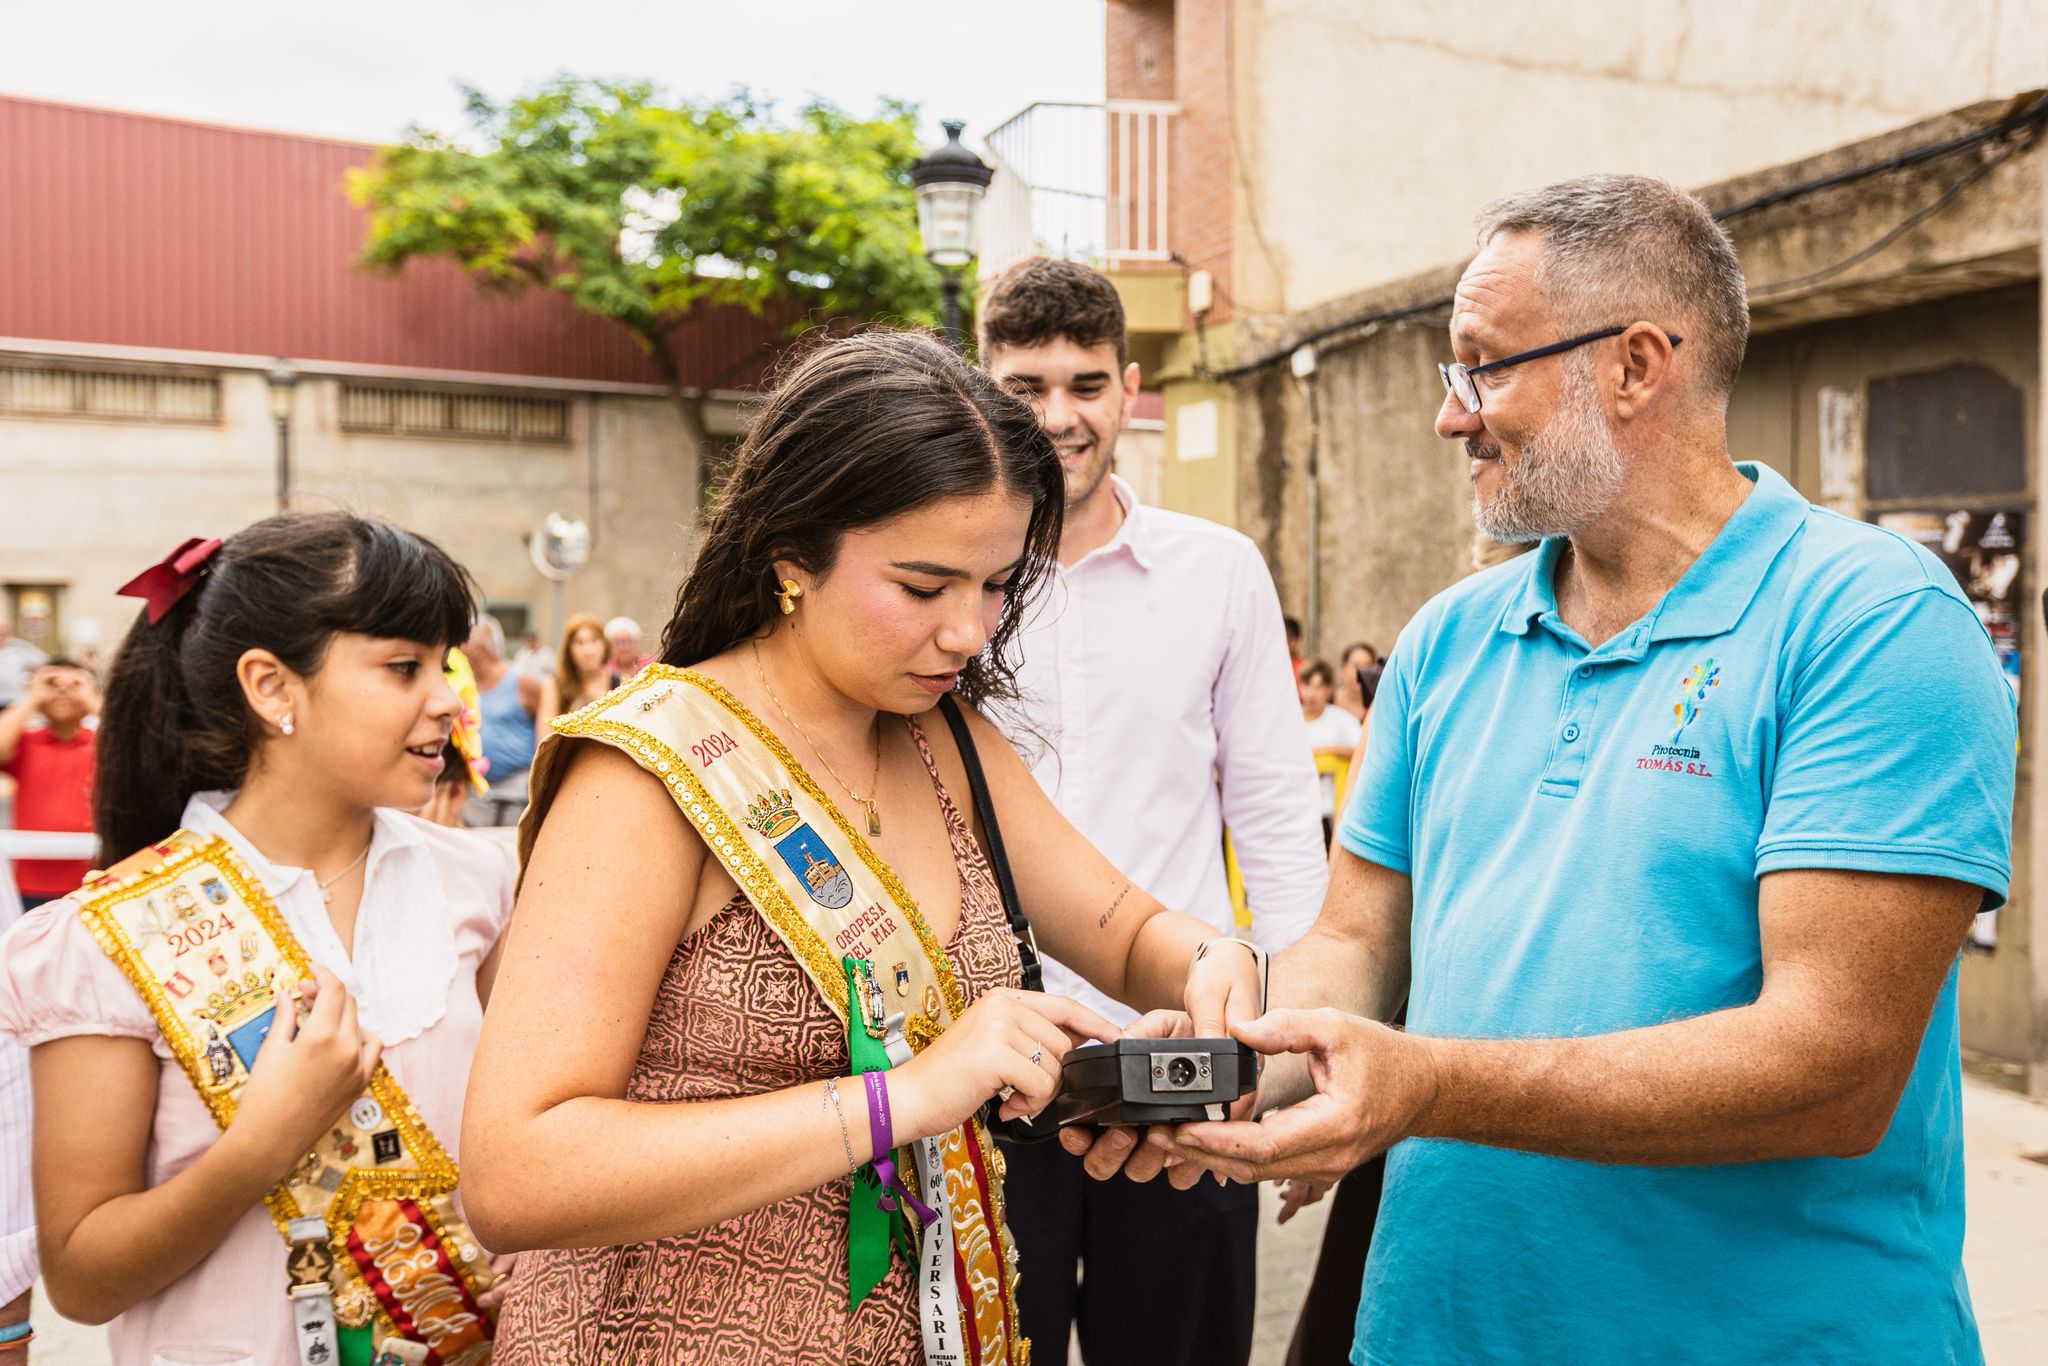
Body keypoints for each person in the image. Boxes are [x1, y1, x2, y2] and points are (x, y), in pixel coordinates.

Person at [1089, 173, 2018, 1365]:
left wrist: (1424, 1084)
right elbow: (1357, 944)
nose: (1451, 415)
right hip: (1431, 1335)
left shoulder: (1869, 622)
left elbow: (1831, 1070)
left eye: (1482, 367)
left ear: (1633, 366)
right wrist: (1245, 1064)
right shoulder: (1447, 639)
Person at [462, 331, 1267, 1366]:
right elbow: (516, 1171)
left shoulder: (946, 740)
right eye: (924, 587)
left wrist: (1212, 964)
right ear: (790, 553)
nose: (970, 632)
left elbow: (1124, 928)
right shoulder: (649, 772)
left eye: (997, 584)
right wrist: (905, 1098)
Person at [0, 513, 519, 1364]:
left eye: (445, 664)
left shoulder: (483, 882)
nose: (449, 701)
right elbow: (84, 1280)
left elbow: (522, 1143)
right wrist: (262, 1145)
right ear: (273, 687)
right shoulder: (103, 938)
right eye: (404, 667)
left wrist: (533, 1254)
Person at [977, 256, 1326, 1366]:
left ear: (1130, 389)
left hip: (1183, 1064)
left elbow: (1276, 820)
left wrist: (1300, 1051)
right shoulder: (951, 582)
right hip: (986, 1067)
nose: (1058, 416)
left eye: (1085, 384)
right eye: (1026, 386)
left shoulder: (1218, 571)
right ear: (981, 386)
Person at [0, 658, 100, 907]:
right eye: (52, 684)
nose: (63, 691)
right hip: (31, 883)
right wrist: (33, 697)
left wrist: (90, 698)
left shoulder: (102, 743)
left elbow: (136, 742)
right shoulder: (25, 741)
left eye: (75, 684)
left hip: (93, 879)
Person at [463, 615, 539, 827]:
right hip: (477, 795)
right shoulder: (465, 683)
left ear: (481, 648)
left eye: (463, 641)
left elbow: (546, 727)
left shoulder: (521, 681)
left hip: (516, 794)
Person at [1295, 660, 1361, 847]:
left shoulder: (1341, 720)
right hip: (1297, 810)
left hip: (1332, 812)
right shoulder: (1290, 720)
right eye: (1307, 685)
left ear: (1329, 689)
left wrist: (1327, 751)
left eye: (1318, 687)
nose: (1311, 693)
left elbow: (1361, 750)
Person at [536, 612, 616, 726]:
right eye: (580, 643)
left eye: (594, 640)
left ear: (605, 645)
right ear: (569, 650)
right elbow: (545, 734)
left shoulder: (621, 684)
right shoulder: (554, 686)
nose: (588, 650)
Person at [0, 619, 44, 710]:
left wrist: (32, 681)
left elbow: (43, 662)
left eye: (3, 630)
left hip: (14, 700)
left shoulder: (19, 646)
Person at [1330, 643, 1378, 721]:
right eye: (1356, 666)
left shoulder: (1377, 706)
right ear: (1343, 668)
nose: (1362, 672)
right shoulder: (1327, 700)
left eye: (1367, 666)